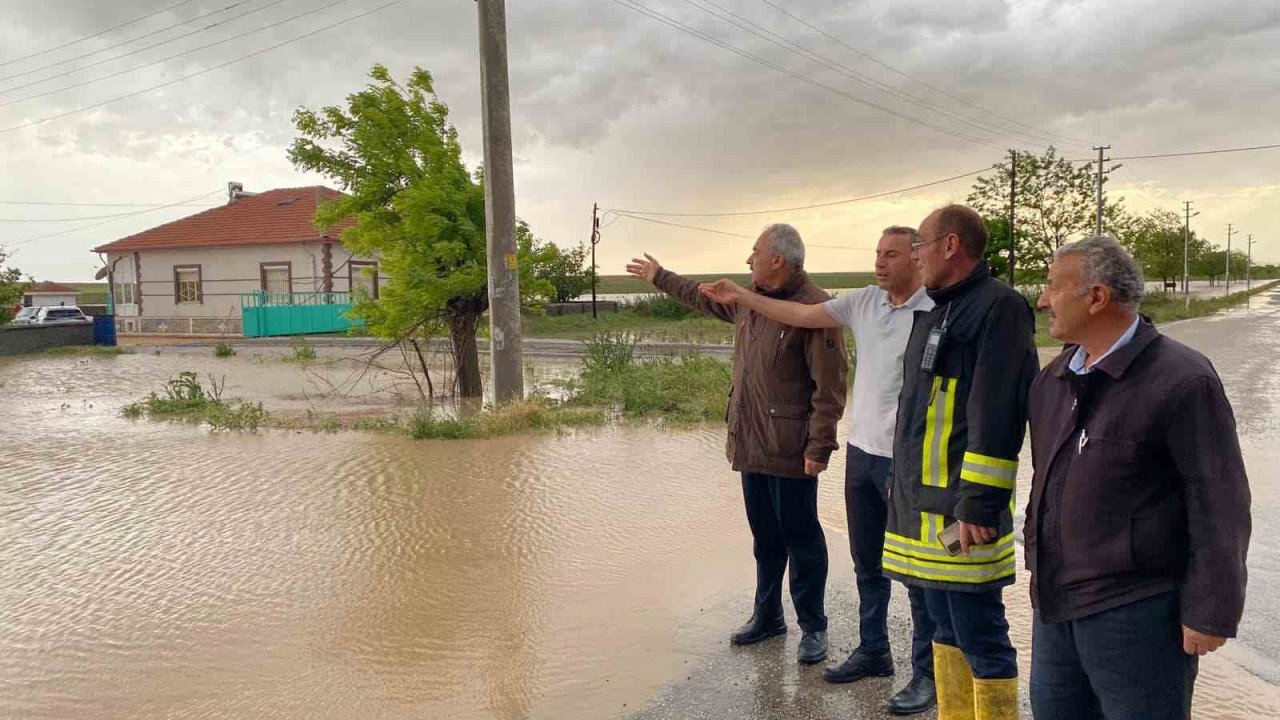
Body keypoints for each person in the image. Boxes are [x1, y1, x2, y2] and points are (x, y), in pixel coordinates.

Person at [700, 226, 939, 715]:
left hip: (908, 459)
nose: (879, 261)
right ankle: (874, 651)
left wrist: (816, 443)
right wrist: (739, 293)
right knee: (868, 563)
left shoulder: (938, 313)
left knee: (916, 571)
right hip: (862, 453)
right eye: (876, 252)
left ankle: (926, 673)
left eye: (891, 254)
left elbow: (827, 384)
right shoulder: (865, 303)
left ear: (918, 259)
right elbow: (798, 313)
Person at [1026, 236, 1251, 720]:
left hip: (1138, 612)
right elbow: (1045, 482)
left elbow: (1219, 501)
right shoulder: (1053, 378)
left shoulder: (1182, 379)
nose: (1043, 300)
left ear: (1097, 297)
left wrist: (1210, 610)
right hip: (1056, 605)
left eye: (1051, 286)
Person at [625, 223, 847, 665]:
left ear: (778, 259)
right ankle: (767, 617)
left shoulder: (816, 308)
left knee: (801, 537)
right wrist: (660, 276)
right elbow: (704, 297)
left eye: (755, 251)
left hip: (790, 447)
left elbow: (831, 386)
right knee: (765, 538)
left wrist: (818, 446)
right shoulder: (749, 302)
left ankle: (813, 627)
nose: (749, 260)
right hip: (750, 442)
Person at [884, 204, 1037, 720]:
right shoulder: (939, 309)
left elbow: (996, 416)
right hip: (923, 510)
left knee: (981, 634)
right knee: (943, 631)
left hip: (961, 516)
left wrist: (977, 505)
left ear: (950, 246)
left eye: (920, 246)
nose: (915, 257)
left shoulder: (999, 308)